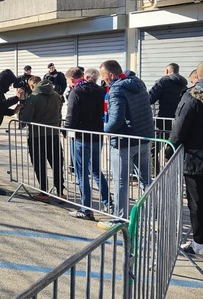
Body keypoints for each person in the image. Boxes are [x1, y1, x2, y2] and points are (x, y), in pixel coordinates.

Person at [98, 60, 154, 229]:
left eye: (104, 77)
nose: (104, 81)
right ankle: (150, 216)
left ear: (111, 75)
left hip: (125, 141)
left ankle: (119, 219)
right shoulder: (139, 83)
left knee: (121, 182)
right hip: (144, 138)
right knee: (146, 181)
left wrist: (104, 131)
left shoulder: (117, 89)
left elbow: (116, 119)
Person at [165, 62, 203, 255]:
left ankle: (199, 244)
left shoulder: (193, 97)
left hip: (197, 161)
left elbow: (179, 129)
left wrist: (168, 151)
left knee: (197, 204)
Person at [64, 67, 111, 220]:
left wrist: (66, 132)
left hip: (80, 138)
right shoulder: (100, 91)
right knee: (96, 170)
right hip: (96, 136)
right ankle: (108, 203)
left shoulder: (76, 92)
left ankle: (86, 209)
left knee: (81, 173)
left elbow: (71, 117)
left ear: (71, 80)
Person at [19, 79, 65, 201]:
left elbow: (25, 119)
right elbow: (59, 114)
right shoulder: (56, 96)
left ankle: (44, 191)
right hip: (54, 134)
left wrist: (21, 115)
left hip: (36, 135)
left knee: (39, 164)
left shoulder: (33, 97)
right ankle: (60, 191)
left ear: (33, 85)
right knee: (56, 163)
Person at [149, 63, 187, 135]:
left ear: (166, 71)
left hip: (163, 120)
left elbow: (150, 98)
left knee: (161, 142)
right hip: (178, 120)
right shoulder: (183, 84)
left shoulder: (162, 82)